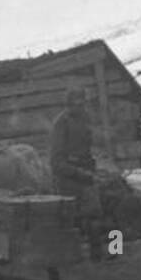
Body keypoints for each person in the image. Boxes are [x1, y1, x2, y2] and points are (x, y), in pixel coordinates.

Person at [48, 86, 106, 261]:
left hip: (86, 174)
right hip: (67, 179)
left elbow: (88, 147)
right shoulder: (60, 124)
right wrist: (78, 172)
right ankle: (68, 258)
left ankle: (99, 256)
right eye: (76, 105)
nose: (81, 108)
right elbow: (56, 162)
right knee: (68, 221)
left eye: (83, 104)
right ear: (68, 105)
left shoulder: (85, 119)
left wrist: (92, 169)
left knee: (94, 215)